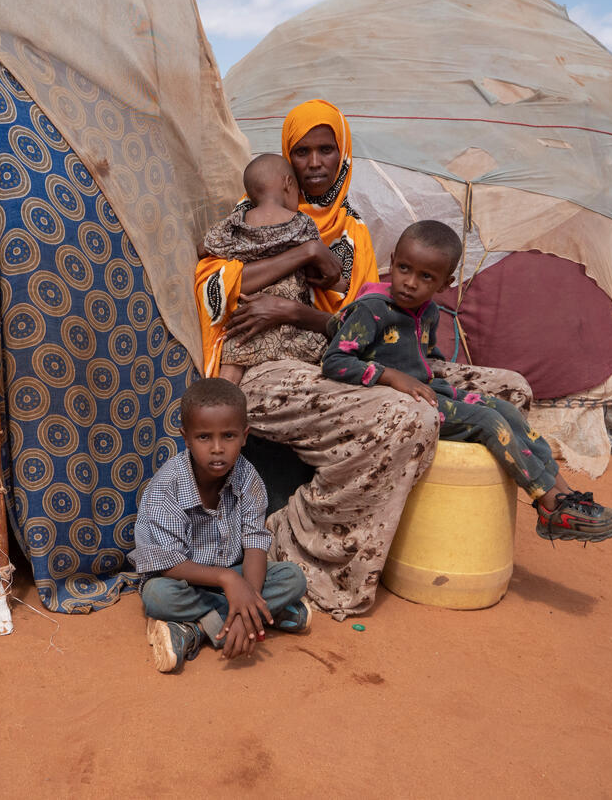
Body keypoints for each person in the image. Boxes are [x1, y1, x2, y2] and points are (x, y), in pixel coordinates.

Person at [194, 99, 533, 619]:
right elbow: (216, 287)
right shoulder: (246, 222)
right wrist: (303, 255)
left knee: (509, 388)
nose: (314, 163)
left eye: (326, 149)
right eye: (301, 151)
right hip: (268, 369)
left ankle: (424, 538)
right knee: (407, 413)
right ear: (285, 161)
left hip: (352, 358)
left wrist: (294, 309)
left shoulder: (352, 233)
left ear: (343, 154)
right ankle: (298, 545)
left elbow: (363, 322)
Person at [322, 220, 612, 541]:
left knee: (505, 409)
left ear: (445, 283)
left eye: (425, 277)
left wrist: (434, 374)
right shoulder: (372, 310)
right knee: (486, 420)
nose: (410, 283)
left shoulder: (427, 311)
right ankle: (547, 500)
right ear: (394, 259)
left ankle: (564, 496)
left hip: (425, 393)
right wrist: (390, 375)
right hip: (392, 401)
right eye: (403, 268)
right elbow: (334, 361)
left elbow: (424, 356)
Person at [130, 378, 312, 673]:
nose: (217, 448)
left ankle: (199, 630)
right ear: (186, 438)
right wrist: (229, 581)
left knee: (293, 578)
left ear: (244, 436)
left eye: (228, 436)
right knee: (156, 596)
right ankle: (265, 615)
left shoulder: (248, 477)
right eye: (204, 438)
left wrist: (244, 602)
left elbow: (254, 543)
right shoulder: (167, 487)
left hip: (237, 579)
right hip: (184, 580)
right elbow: (168, 563)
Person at [201, 154, 330, 384]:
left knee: (230, 369)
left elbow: (206, 247)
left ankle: (219, 410)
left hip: (246, 317)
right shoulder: (302, 223)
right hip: (289, 326)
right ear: (288, 183)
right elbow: (316, 271)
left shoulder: (235, 223)